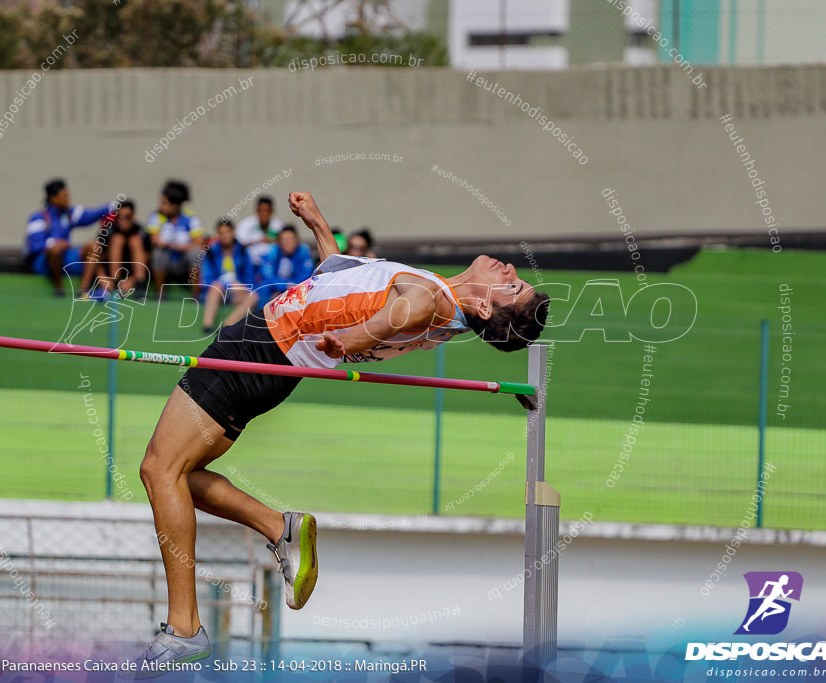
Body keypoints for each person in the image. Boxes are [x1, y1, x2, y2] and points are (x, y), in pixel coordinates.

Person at [134, 191, 549, 670]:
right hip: (265, 356)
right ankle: (279, 527)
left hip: (260, 351)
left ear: (483, 310)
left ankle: (184, 628)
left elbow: (405, 310)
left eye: (514, 288)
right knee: (176, 477)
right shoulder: (441, 295)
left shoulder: (432, 298)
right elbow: (343, 278)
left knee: (159, 470)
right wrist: (318, 224)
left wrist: (351, 338)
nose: (511, 273)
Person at [24, 178, 115, 297]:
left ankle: (83, 290)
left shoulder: (69, 213)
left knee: (94, 246)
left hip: (66, 258)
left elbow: (93, 214)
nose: (68, 198)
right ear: (54, 198)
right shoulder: (38, 217)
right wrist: (54, 244)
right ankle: (59, 287)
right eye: (65, 195)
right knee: (56, 249)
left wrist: (114, 205)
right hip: (44, 262)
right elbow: (35, 246)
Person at [148, 180, 204, 300]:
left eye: (164, 203)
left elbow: (198, 243)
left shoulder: (190, 218)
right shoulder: (156, 217)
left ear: (175, 205)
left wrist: (176, 246)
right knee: (158, 253)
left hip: (184, 263)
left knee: (195, 253)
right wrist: (168, 245)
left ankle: (196, 296)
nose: (160, 206)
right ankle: (160, 295)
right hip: (166, 262)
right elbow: (155, 239)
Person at [200, 218, 257, 333]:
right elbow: (206, 279)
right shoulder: (211, 252)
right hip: (218, 293)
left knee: (253, 297)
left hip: (237, 292)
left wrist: (241, 287)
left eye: (228, 232)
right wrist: (226, 283)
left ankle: (226, 326)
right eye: (222, 233)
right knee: (216, 287)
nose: (225, 236)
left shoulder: (243, 252)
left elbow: (249, 277)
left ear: (233, 232)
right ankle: (207, 326)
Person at [255, 225, 315, 302]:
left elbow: (306, 275)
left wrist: (290, 287)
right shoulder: (273, 251)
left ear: (297, 240)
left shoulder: (303, 251)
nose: (287, 242)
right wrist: (284, 285)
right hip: (273, 290)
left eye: (290, 239)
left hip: (296, 290)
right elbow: (267, 275)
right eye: (283, 239)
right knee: (258, 294)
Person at [106, 200, 151, 299]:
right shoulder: (108, 231)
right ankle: (115, 284)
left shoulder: (140, 232)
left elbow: (147, 257)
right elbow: (97, 258)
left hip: (133, 273)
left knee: (135, 241)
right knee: (118, 240)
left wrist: (132, 280)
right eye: (120, 217)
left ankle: (140, 289)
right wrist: (102, 278)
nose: (123, 221)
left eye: (127, 217)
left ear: (133, 216)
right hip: (110, 274)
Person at [234, 195, 283, 266]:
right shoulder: (246, 224)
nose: (263, 214)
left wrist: (272, 240)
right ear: (256, 210)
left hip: (272, 264)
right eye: (260, 210)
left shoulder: (278, 225)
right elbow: (238, 244)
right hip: (249, 263)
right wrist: (258, 241)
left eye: (266, 211)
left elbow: (286, 243)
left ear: (271, 212)